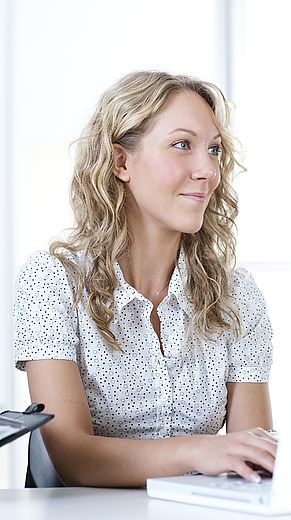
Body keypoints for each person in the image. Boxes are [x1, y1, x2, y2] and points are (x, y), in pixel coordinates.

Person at [13, 70, 276, 487]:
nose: (207, 170)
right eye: (182, 145)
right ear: (121, 162)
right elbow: (73, 458)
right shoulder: (52, 280)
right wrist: (198, 450)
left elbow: (254, 460)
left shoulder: (236, 294)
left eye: (214, 150)